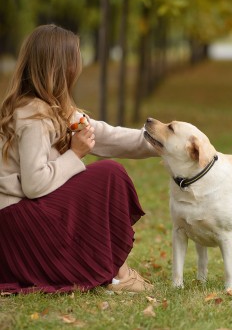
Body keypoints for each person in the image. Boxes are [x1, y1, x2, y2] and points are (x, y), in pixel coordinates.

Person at [0, 24, 158, 294]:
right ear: (60, 66)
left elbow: (110, 137)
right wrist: (75, 154)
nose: (80, 63)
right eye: (76, 57)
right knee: (109, 173)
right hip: (18, 222)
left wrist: (170, 142)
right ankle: (117, 274)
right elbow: (34, 184)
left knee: (105, 173)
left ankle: (113, 271)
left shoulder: (56, 109)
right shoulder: (32, 114)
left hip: (30, 212)